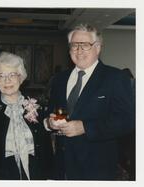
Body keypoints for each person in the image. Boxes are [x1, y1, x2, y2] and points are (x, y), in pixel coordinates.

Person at [45, 24, 134, 180]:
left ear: (98, 48)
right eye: (74, 45)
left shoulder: (115, 78)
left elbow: (127, 121)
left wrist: (85, 127)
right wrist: (52, 122)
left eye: (85, 45)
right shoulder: (60, 79)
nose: (79, 51)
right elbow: (60, 112)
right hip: (62, 167)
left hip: (97, 168)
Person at [0, 52, 53, 180]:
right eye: (1, 75)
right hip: (1, 174)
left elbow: (45, 147)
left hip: (35, 171)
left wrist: (50, 177)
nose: (7, 80)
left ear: (21, 78)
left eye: (12, 74)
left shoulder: (35, 105)